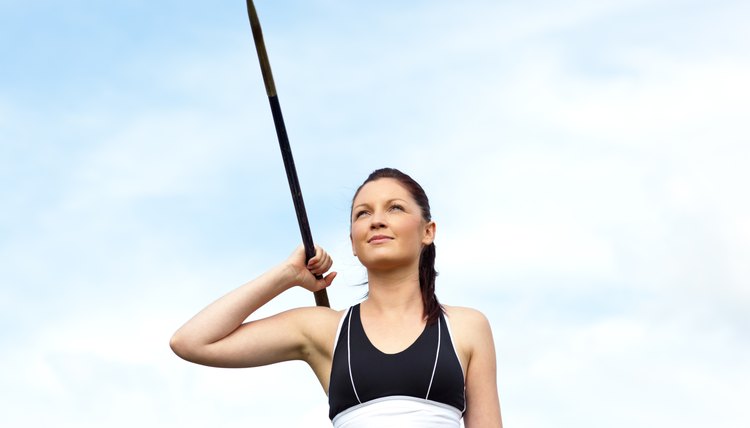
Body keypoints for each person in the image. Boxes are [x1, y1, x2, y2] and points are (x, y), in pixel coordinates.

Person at [170, 168, 503, 427]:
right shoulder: (324, 330)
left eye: (395, 208)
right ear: (353, 242)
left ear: (427, 231)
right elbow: (192, 341)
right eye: (363, 214)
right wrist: (286, 275)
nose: (377, 221)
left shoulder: (467, 327)